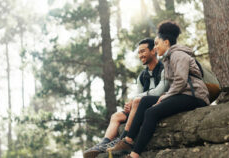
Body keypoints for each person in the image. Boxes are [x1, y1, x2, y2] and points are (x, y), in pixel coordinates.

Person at [107, 20, 210, 158]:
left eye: (156, 43)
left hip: (194, 96)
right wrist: (166, 95)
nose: (155, 48)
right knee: (144, 101)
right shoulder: (168, 59)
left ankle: (134, 155)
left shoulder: (178, 55)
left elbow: (180, 81)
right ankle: (129, 140)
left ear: (166, 42)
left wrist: (166, 96)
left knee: (151, 113)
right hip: (184, 94)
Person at [83, 38, 169, 158]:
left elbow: (160, 91)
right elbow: (138, 93)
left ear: (153, 51)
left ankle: (124, 140)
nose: (141, 55)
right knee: (116, 116)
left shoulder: (164, 68)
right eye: (139, 52)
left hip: (158, 104)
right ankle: (103, 144)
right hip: (140, 107)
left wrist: (135, 99)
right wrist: (130, 103)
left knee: (138, 100)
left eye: (143, 51)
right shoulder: (142, 76)